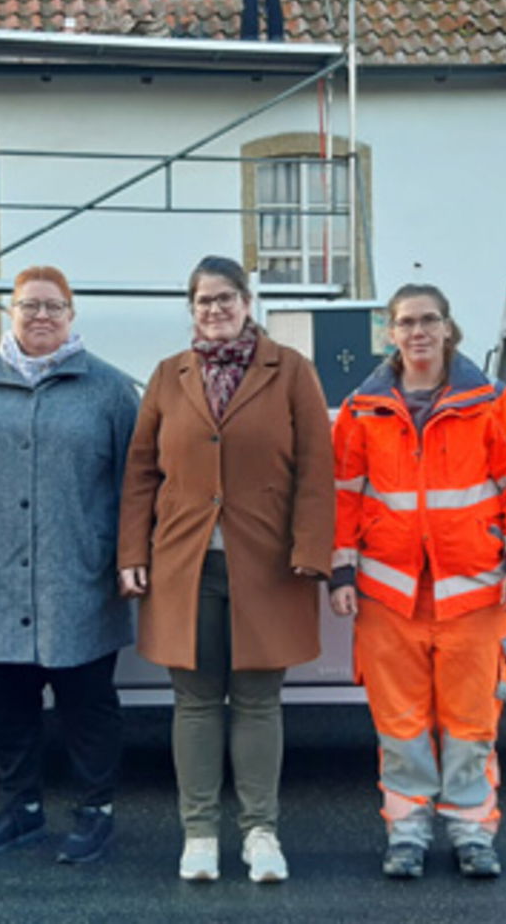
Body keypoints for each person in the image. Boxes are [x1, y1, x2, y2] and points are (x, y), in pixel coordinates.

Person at [117, 255, 333, 883]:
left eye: (226, 298)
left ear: (247, 303)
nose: (215, 310)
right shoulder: (166, 376)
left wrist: (312, 551)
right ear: (192, 310)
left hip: (269, 565)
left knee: (261, 701)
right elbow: (140, 475)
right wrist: (132, 553)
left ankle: (260, 833)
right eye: (203, 300)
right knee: (196, 702)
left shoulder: (291, 372)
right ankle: (200, 833)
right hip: (185, 566)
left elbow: (317, 470)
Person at [0, 265, 139, 866]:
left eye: (54, 306)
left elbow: (137, 482)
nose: (41, 316)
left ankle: (96, 812)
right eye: (29, 305)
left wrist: (130, 556)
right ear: (9, 313)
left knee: (87, 701)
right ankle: (22, 809)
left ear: (72, 316)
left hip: (80, 574)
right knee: (6, 699)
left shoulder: (111, 390)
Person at [330, 283, 506, 880]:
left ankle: (473, 834)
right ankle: (408, 834)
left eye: (428, 320)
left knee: (470, 722)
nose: (418, 332)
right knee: (400, 724)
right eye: (405, 322)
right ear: (391, 334)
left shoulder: (494, 404)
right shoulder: (360, 411)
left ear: (449, 328)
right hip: (388, 592)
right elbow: (343, 499)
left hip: (473, 591)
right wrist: (341, 572)